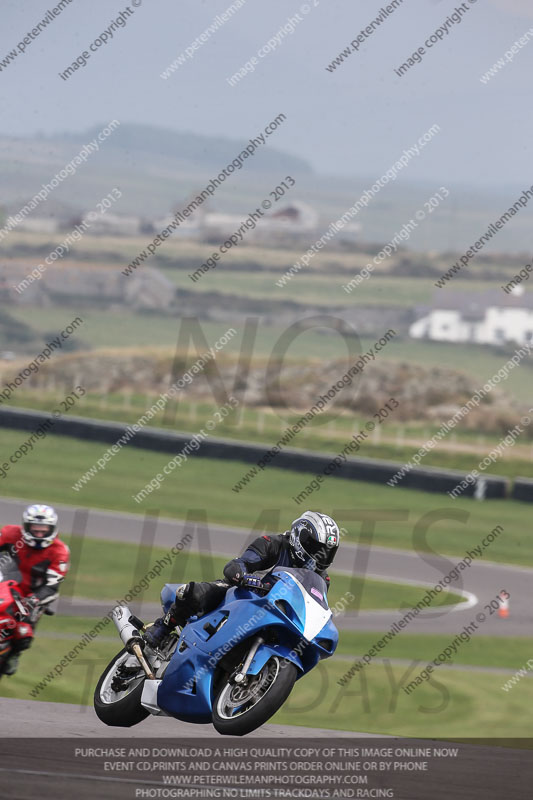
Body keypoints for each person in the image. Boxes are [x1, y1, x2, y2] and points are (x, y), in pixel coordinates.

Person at [144, 510, 340, 649]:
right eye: (315, 548)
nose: (321, 556)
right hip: (247, 594)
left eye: (327, 552)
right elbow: (238, 565)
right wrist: (245, 577)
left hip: (280, 615)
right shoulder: (273, 544)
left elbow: (315, 610)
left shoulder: (322, 579)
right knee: (195, 592)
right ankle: (163, 626)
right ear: (300, 538)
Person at [0, 504, 70, 676]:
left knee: (24, 636)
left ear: (53, 529)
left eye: (44, 530)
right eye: (35, 529)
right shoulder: (10, 533)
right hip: (5, 585)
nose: (39, 533)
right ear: (26, 526)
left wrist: (34, 600)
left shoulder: (60, 551)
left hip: (32, 596)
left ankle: (13, 654)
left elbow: (52, 585)